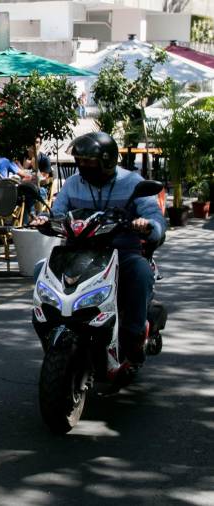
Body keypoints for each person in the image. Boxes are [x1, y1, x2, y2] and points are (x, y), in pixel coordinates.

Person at [31, 132, 166, 369]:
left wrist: (147, 226)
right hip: (77, 253)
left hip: (120, 252)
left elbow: (155, 220)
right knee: (40, 269)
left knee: (141, 272)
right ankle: (50, 331)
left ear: (107, 160)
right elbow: (57, 212)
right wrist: (44, 220)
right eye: (80, 161)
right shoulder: (74, 183)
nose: (83, 166)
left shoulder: (132, 182)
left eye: (89, 161)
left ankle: (133, 338)